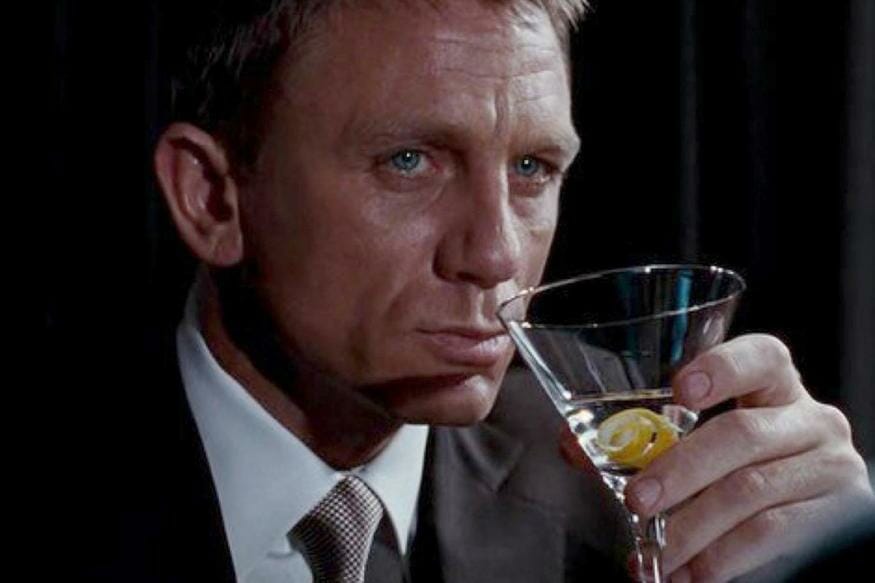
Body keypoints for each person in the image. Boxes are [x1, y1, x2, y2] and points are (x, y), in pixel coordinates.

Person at [133, 0, 874, 581]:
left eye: (531, 169)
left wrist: (831, 554)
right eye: (408, 161)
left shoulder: (641, 488)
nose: (497, 255)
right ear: (212, 199)